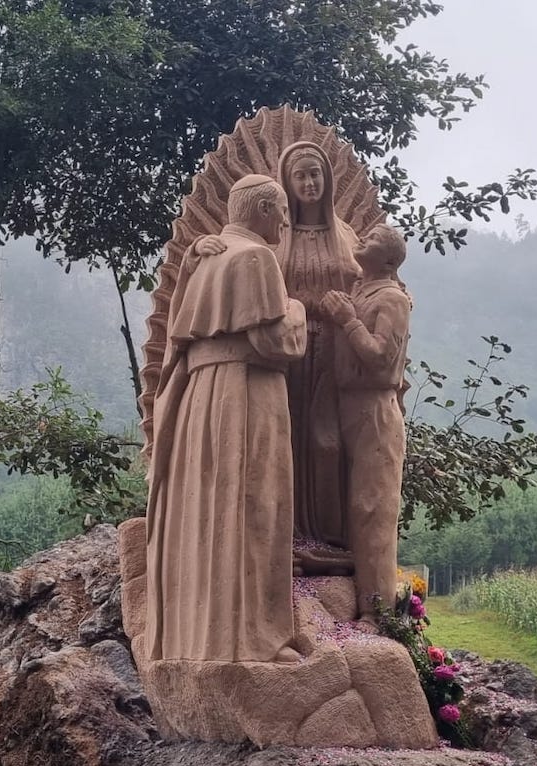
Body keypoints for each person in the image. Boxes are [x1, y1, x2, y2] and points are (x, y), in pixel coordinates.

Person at [145, 174, 306, 663]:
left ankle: (200, 637)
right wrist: (297, 311)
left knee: (209, 510)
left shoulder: (206, 261)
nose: (284, 220)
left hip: (202, 398)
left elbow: (179, 340)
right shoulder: (255, 258)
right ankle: (251, 639)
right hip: (245, 393)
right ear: (260, 209)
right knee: (252, 508)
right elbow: (272, 341)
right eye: (280, 210)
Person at [320, 223, 411, 625]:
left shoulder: (392, 298)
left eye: (372, 240)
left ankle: (377, 612)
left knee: (372, 508)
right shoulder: (362, 288)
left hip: (374, 408)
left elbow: (379, 358)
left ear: (389, 260)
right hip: (344, 405)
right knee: (346, 504)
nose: (362, 239)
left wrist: (347, 319)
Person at [276, 140, 362, 554]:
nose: (309, 182)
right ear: (287, 184)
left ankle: (331, 537)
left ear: (327, 180)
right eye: (301, 175)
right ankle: (287, 533)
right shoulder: (276, 237)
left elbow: (368, 280)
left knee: (328, 441)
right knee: (285, 437)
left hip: (333, 349)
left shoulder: (343, 235)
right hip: (286, 351)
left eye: (316, 174)